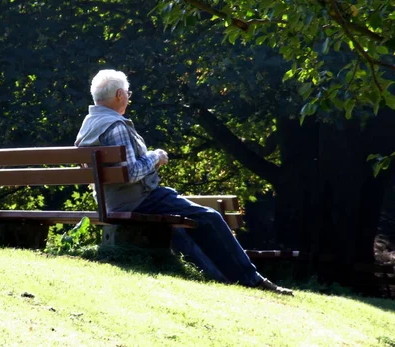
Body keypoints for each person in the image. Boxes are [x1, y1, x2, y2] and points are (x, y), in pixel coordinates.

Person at [75, 69, 294, 296]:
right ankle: (252, 278)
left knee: (180, 228)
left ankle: (220, 280)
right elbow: (131, 173)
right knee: (210, 217)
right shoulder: (116, 126)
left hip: (112, 201)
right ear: (120, 94)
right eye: (128, 93)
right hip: (137, 199)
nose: (129, 97)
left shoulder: (89, 124)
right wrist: (156, 157)